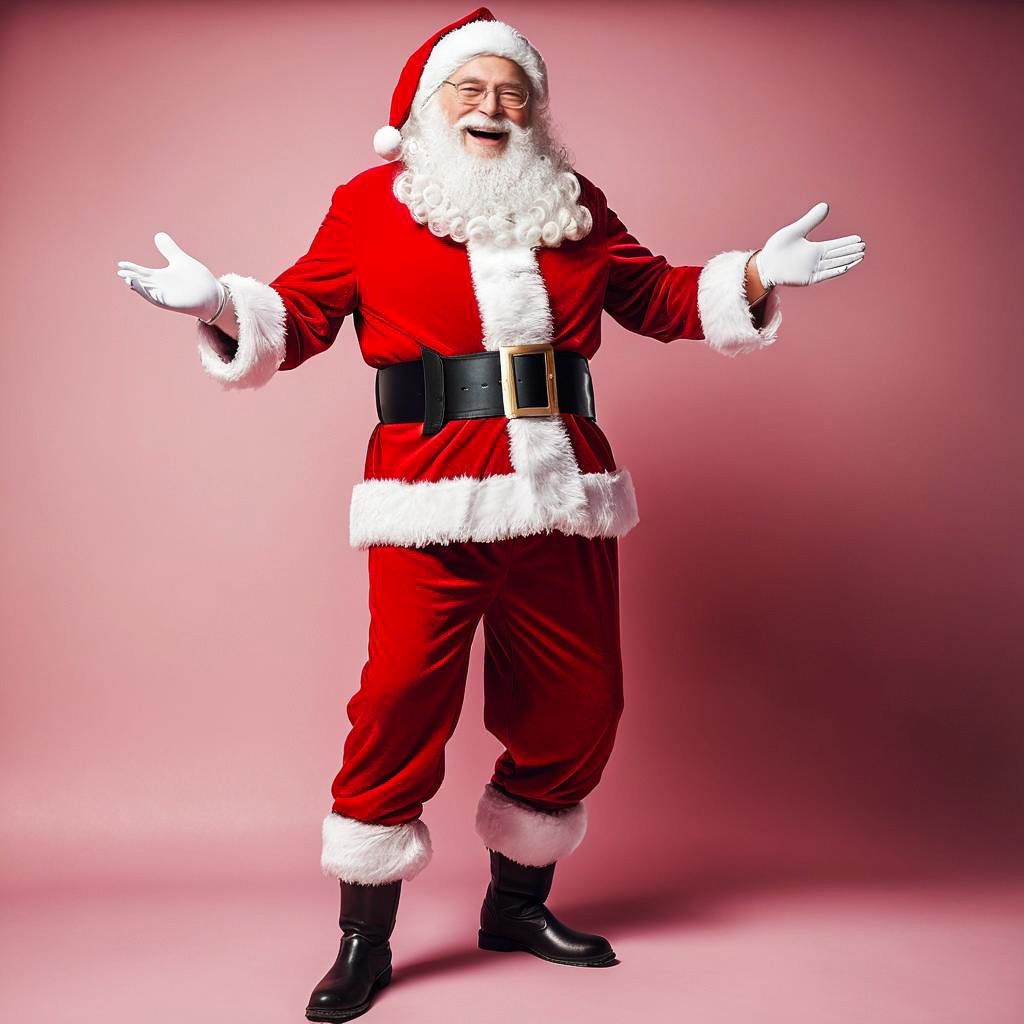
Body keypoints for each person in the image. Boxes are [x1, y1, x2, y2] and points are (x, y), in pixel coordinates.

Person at [116, 7, 866, 1020]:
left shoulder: (574, 202)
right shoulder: (369, 205)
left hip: (563, 493)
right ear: (427, 106)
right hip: (428, 494)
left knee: (580, 705)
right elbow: (296, 317)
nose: (494, 107)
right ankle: (362, 941)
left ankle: (517, 907)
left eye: (514, 93)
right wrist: (219, 306)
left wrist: (755, 277)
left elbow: (658, 299)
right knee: (397, 703)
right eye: (469, 89)